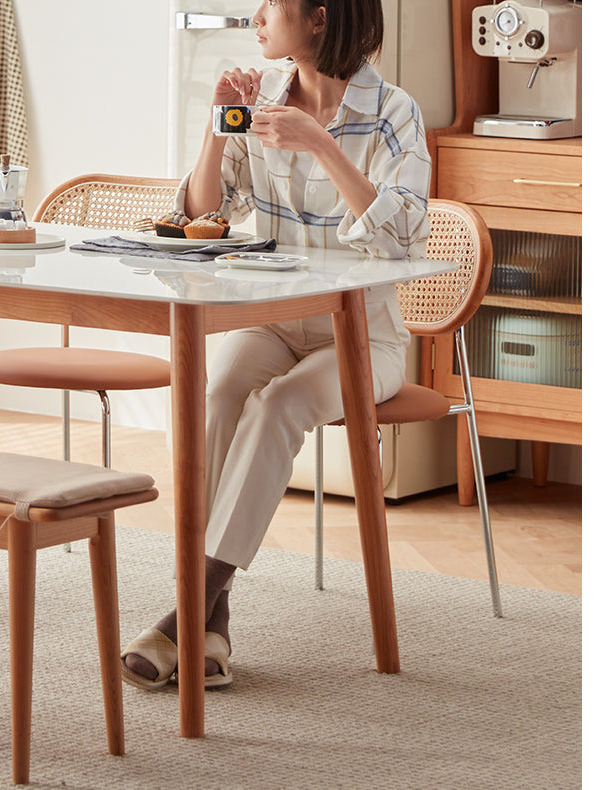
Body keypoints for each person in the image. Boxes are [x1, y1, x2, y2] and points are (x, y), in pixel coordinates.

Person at [121, 0, 431, 690]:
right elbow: (203, 213)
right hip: (274, 320)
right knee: (220, 388)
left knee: (279, 405)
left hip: (362, 337)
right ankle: (213, 621)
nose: (256, 16)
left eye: (272, 5)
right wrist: (214, 124)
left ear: (319, 18)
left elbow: (407, 235)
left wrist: (319, 143)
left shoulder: (393, 114)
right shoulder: (260, 97)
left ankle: (184, 612)